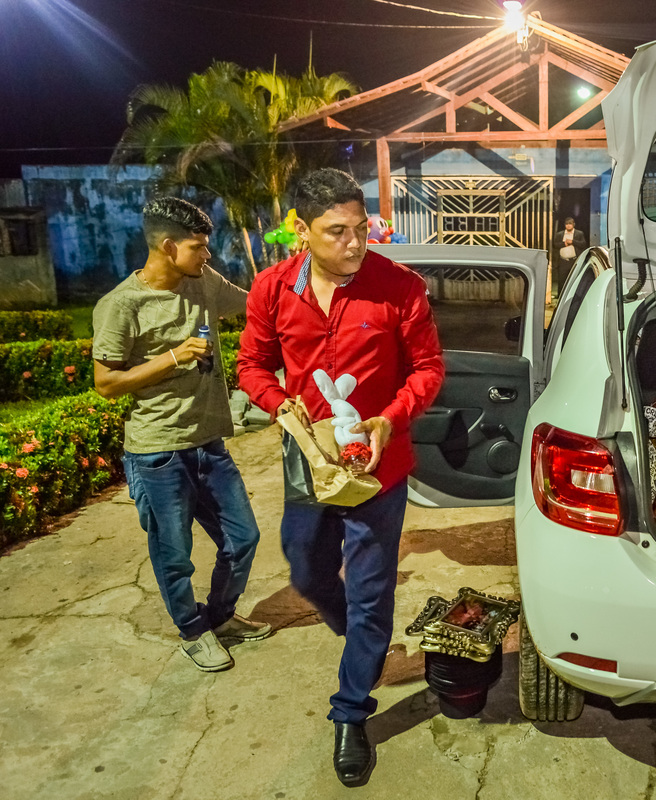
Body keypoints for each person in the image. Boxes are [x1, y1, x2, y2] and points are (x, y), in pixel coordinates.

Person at [237, 168, 444, 788]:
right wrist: (280, 404)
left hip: (381, 466)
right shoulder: (272, 289)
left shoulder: (399, 288)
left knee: (371, 591)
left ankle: (351, 711)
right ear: (302, 231)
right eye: (337, 232)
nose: (354, 244)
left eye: (361, 229)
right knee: (304, 565)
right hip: (309, 460)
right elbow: (252, 365)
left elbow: (429, 368)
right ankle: (357, 632)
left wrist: (389, 419)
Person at [92, 197, 270, 673]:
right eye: (197, 247)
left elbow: (257, 305)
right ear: (168, 247)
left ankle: (220, 617)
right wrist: (173, 357)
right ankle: (193, 631)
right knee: (175, 554)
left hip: (208, 444)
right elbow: (106, 383)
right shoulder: (121, 305)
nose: (207, 255)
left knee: (244, 538)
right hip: (157, 453)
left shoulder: (205, 282)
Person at [552, 216, 586, 298]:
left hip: (574, 260)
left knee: (574, 278)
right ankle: (560, 296)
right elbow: (555, 245)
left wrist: (572, 242)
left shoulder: (579, 233)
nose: (568, 225)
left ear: (574, 224)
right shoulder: (560, 234)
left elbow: (583, 244)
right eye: (567, 224)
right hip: (563, 261)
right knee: (561, 280)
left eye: (570, 224)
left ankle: (574, 296)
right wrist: (564, 244)